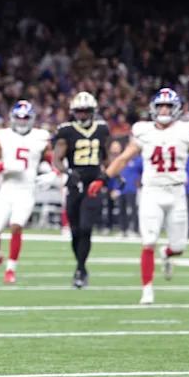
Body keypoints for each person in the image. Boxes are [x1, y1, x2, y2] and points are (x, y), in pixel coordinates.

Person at [90, 88, 189, 305]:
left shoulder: (186, 130)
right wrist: (103, 178)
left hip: (177, 192)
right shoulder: (143, 131)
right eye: (160, 106)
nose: (163, 110)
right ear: (153, 108)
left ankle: (167, 254)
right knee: (148, 241)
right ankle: (147, 290)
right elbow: (123, 159)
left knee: (179, 247)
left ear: (176, 109)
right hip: (152, 192)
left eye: (168, 107)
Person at [0, 100, 52, 284]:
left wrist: (52, 173)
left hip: (26, 190)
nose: (22, 121)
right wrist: (5, 165)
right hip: (6, 189)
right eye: (19, 118)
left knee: (16, 225)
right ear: (12, 118)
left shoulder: (41, 137)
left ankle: (10, 269)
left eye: (26, 118)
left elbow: (52, 160)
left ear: (32, 119)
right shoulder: (3, 136)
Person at [51, 91, 110, 288]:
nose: (82, 115)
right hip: (74, 184)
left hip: (93, 184)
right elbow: (57, 159)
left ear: (92, 111)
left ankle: (80, 269)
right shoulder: (66, 131)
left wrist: (110, 175)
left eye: (85, 111)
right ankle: (81, 267)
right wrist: (68, 171)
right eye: (79, 111)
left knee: (86, 228)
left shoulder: (102, 129)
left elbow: (105, 156)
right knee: (75, 231)